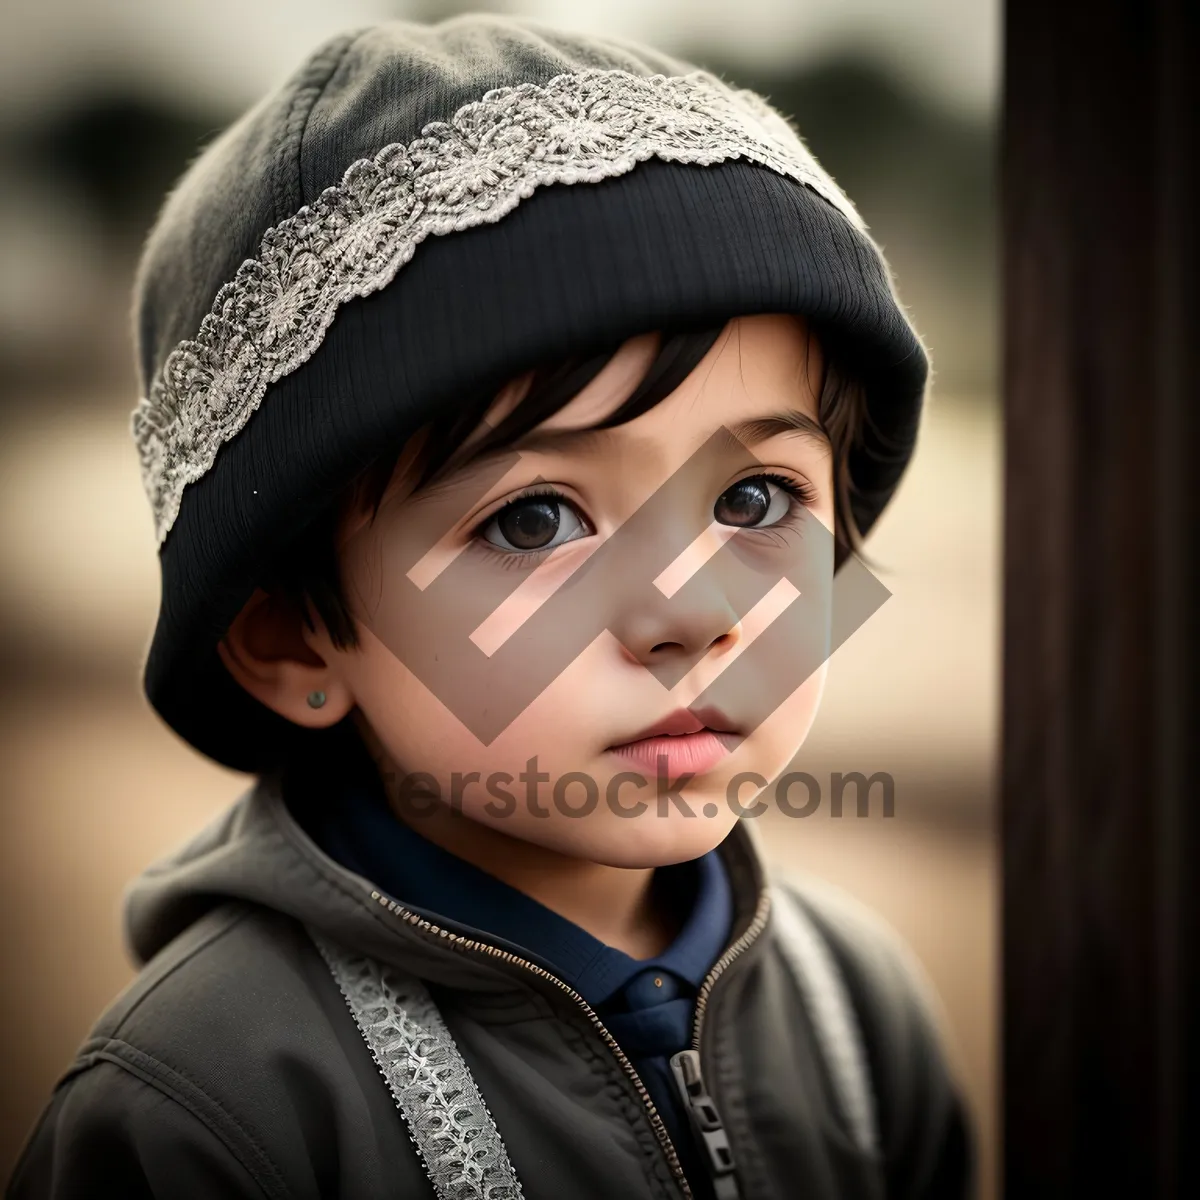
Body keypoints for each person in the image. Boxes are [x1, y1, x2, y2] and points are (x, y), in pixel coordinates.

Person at [7, 12, 973, 1200]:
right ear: (292, 633)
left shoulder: (858, 1018)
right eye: (534, 521)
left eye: (758, 497)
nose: (690, 617)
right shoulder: (205, 1112)